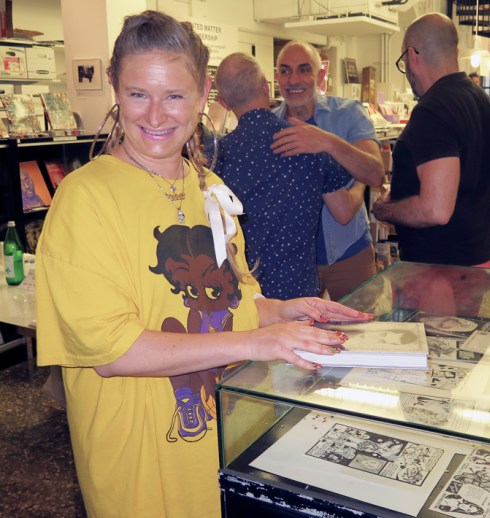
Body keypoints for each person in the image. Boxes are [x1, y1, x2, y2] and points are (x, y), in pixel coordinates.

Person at [35, 11, 371, 518]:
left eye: (174, 95)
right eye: (138, 94)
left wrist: (282, 312)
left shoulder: (210, 188)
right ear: (114, 87)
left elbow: (235, 303)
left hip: (220, 445)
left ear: (204, 94)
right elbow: (111, 350)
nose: (155, 115)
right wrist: (255, 342)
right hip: (140, 466)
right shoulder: (85, 198)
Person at [372, 13, 490, 268]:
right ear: (455, 52)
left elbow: (436, 210)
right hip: (483, 260)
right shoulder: (487, 104)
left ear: (411, 56)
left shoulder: (431, 111)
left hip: (439, 270)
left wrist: (386, 209)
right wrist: (456, 197)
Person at [213, 52, 361, 300]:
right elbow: (344, 212)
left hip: (245, 296)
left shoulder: (218, 157)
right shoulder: (307, 143)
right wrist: (361, 185)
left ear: (223, 103)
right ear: (266, 86)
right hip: (300, 294)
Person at [271, 40, 384, 301]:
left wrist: (327, 142)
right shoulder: (270, 126)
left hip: (349, 252)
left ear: (320, 75)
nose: (293, 80)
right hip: (292, 263)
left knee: (365, 322)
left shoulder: (347, 113)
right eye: (285, 71)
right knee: (297, 327)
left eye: (304, 70)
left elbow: (376, 174)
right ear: (277, 77)